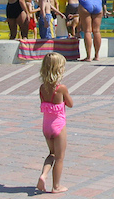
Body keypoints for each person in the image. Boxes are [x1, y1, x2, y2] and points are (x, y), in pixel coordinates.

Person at [37, 52, 73, 194]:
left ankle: (43, 175)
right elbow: (70, 104)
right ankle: (56, 186)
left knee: (52, 153)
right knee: (60, 157)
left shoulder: (42, 88)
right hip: (58, 125)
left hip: (46, 126)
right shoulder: (61, 88)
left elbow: (44, 103)